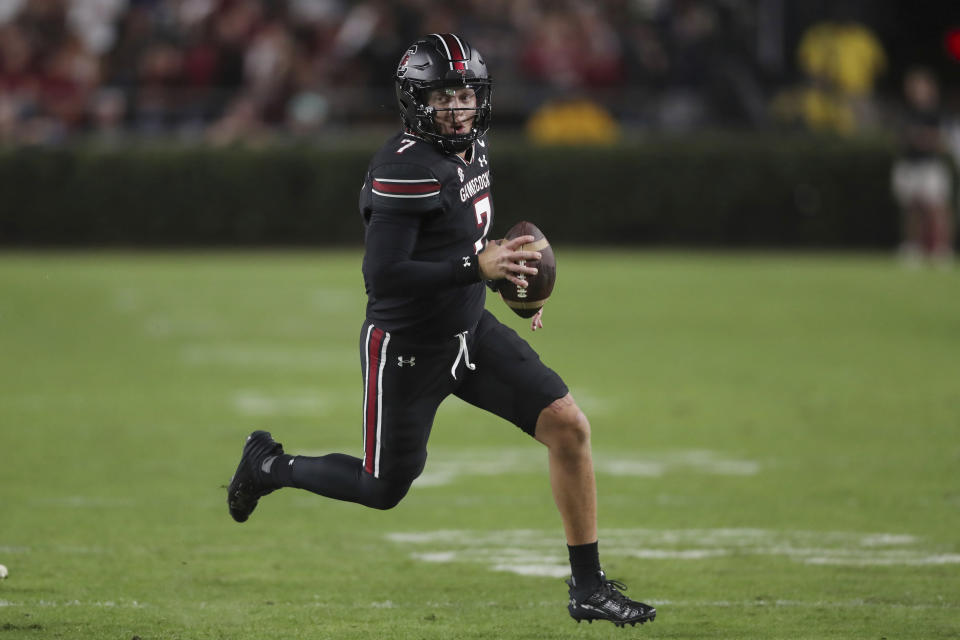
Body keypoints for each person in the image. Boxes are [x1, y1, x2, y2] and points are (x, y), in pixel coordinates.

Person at [226, 33, 656, 628]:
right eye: (441, 97)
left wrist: (508, 283)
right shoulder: (403, 168)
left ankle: (588, 586)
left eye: (465, 95)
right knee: (383, 487)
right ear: (414, 100)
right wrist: (474, 268)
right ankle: (269, 467)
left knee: (568, 426)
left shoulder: (471, 146)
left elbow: (466, 239)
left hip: (468, 329)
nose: (456, 108)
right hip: (407, 349)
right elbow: (383, 275)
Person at [891, 67, 954, 266]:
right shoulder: (906, 112)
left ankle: (941, 249)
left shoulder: (937, 113)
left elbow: (942, 141)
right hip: (910, 165)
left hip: (930, 166)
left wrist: (922, 138)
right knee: (912, 208)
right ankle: (913, 247)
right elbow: (901, 138)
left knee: (937, 208)